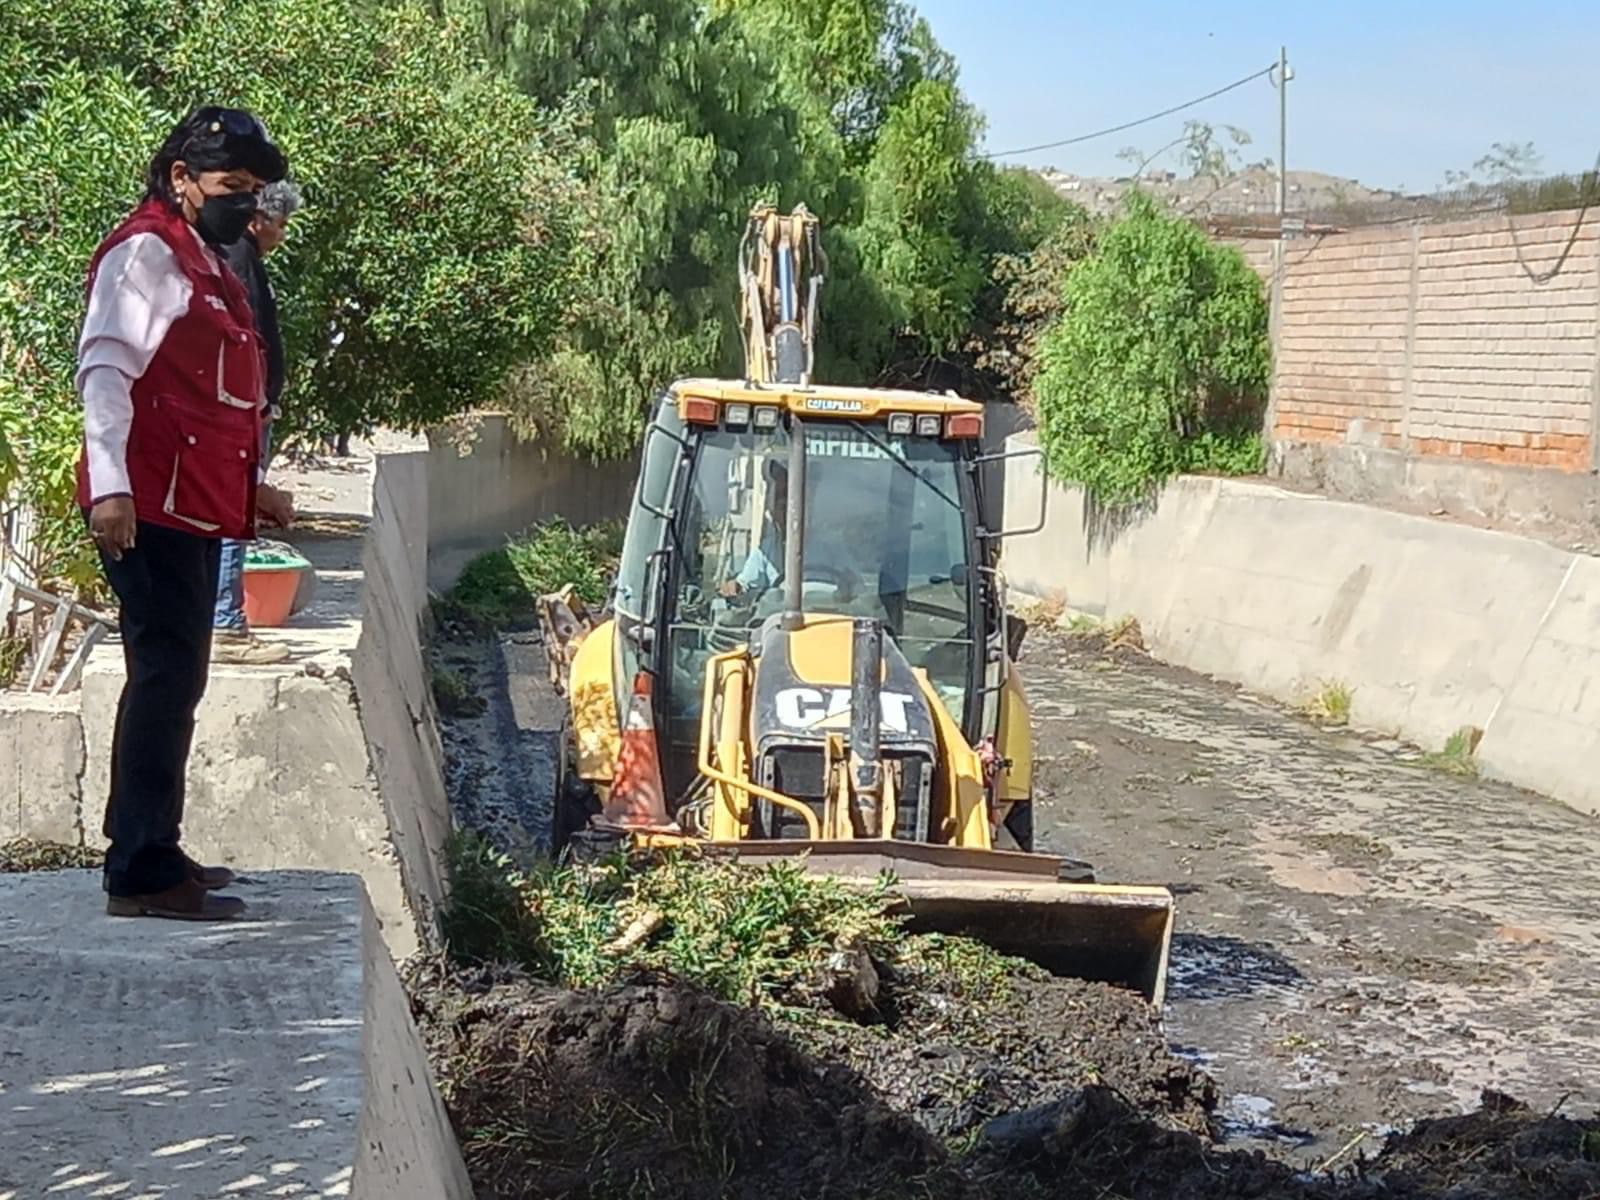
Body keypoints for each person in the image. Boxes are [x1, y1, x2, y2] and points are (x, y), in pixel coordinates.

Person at [77, 106, 296, 921]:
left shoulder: (196, 254)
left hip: (188, 504)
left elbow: (208, 400)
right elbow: (105, 370)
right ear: (181, 179)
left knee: (178, 678)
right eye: (232, 187)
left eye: (253, 189)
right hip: (146, 507)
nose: (245, 203)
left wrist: (252, 493)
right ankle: (138, 871)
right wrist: (109, 487)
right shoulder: (147, 252)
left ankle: (154, 845)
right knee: (166, 678)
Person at [212, 179, 302, 664]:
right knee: (233, 510)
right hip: (241, 410)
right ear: (256, 219)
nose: (281, 235)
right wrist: (254, 402)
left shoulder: (239, 257)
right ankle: (225, 623)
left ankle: (221, 619)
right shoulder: (239, 258)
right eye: (280, 224)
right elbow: (244, 339)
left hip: (245, 406)